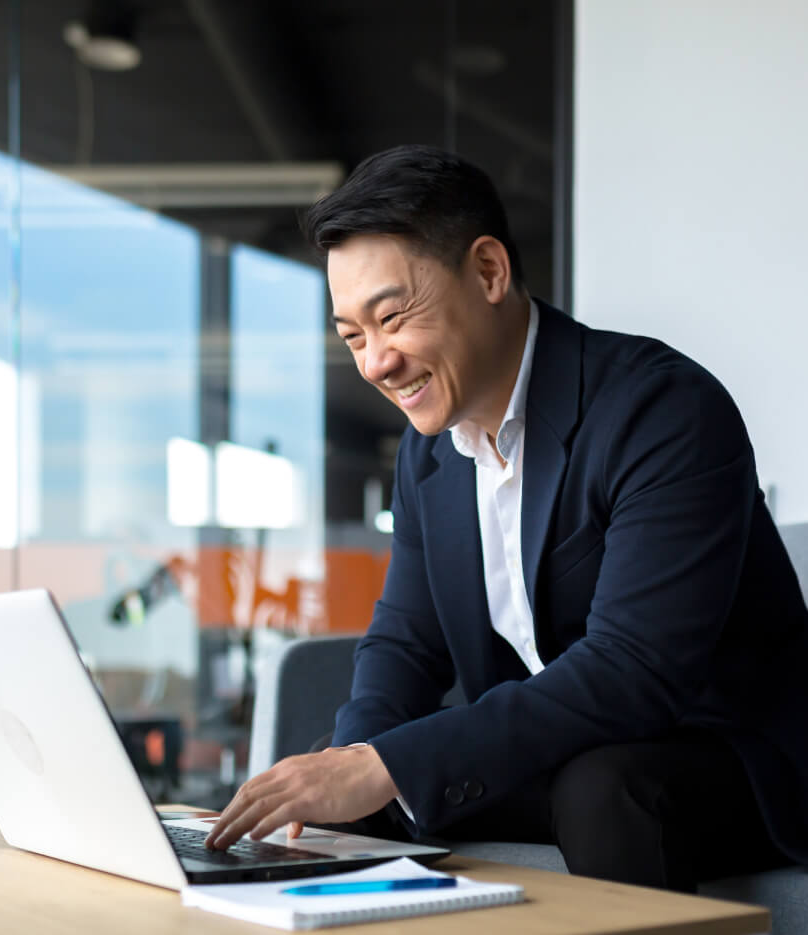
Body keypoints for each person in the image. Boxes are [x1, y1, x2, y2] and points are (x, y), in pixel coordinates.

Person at [205, 144, 808, 891]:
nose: (375, 364)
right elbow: (406, 643)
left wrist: (389, 764)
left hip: (720, 755)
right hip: (565, 752)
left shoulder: (663, 411)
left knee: (600, 789)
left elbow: (633, 673)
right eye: (353, 336)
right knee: (337, 779)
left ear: (488, 272)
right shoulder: (428, 457)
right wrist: (353, 765)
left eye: (392, 318)